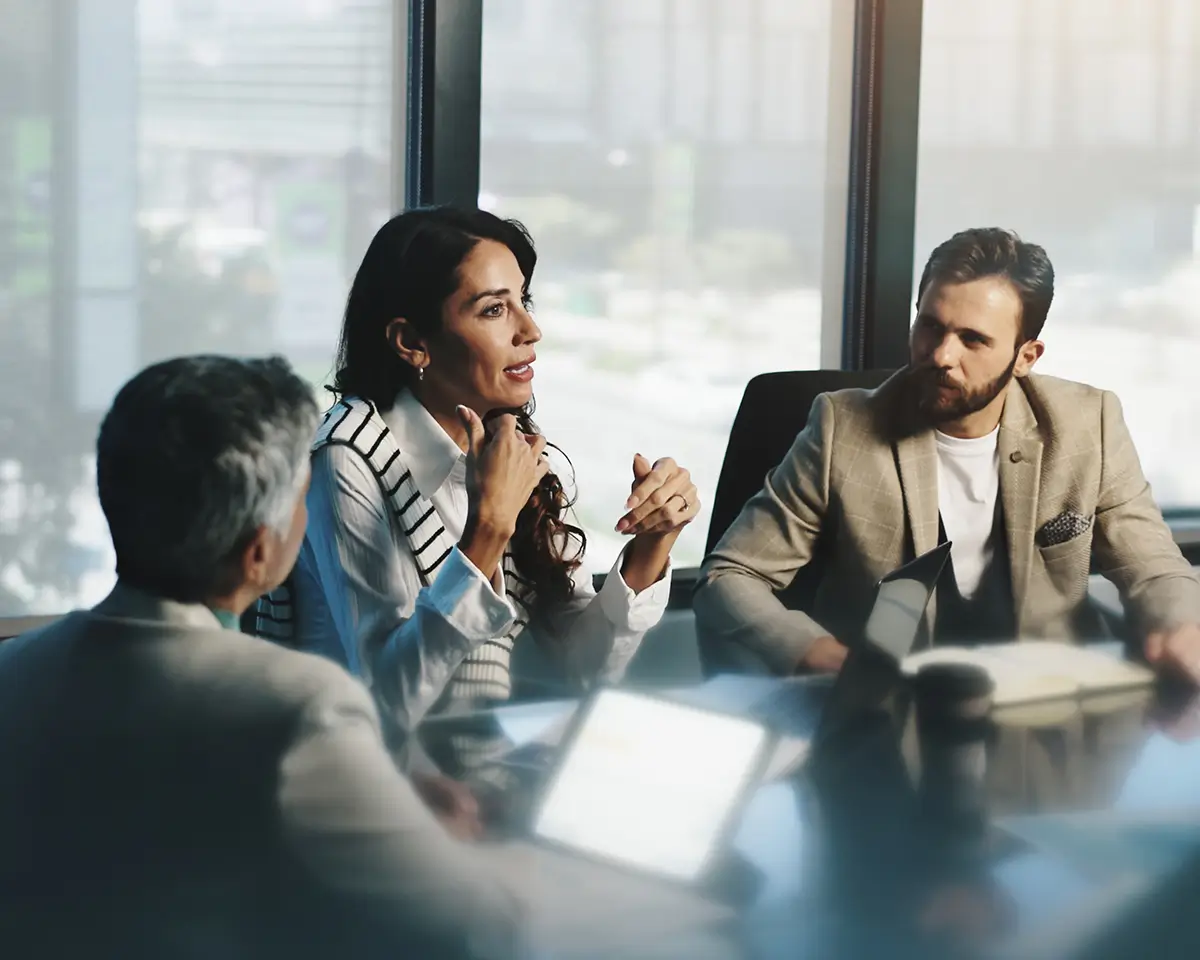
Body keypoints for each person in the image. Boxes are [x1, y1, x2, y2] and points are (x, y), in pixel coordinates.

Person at [0, 356, 526, 959]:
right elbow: (479, 925)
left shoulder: (12, 671)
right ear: (258, 552)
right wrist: (443, 847)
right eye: (304, 499)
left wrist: (378, 802)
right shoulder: (297, 707)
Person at [262, 207, 697, 752]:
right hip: (361, 775)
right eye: (494, 310)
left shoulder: (505, 439)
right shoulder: (346, 461)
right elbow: (385, 705)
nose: (530, 331)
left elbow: (582, 665)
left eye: (524, 301)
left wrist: (651, 544)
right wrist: (487, 529)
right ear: (410, 342)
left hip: (474, 766)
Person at [694, 227, 1200, 684]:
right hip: (883, 709)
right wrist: (815, 651)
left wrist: (1183, 628)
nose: (941, 355)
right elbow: (730, 576)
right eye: (931, 327)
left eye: (973, 340)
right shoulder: (841, 427)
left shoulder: (1089, 423)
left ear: (1027, 356)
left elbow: (1154, 568)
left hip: (1040, 712)